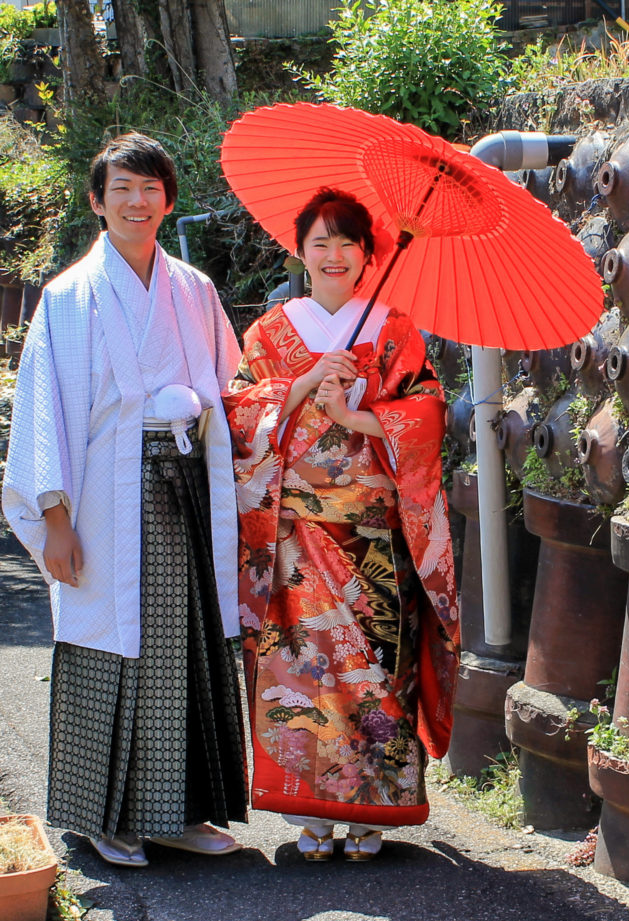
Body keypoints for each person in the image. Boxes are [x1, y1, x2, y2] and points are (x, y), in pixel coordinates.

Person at [2, 133, 248, 867]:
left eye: (150, 190)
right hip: (104, 493)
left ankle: (183, 808)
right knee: (107, 643)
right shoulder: (69, 297)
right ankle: (106, 816)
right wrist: (54, 520)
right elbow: (45, 412)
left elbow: (231, 390)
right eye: (122, 191)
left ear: (168, 201)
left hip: (184, 483)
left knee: (186, 645)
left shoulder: (196, 290)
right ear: (97, 203)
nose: (137, 203)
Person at [225, 187, 459, 861]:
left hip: (372, 531)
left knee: (376, 671)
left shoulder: (394, 329)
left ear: (367, 255)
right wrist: (301, 386)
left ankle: (372, 812)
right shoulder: (270, 331)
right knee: (305, 672)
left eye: (347, 243)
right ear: (299, 252)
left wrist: (359, 418)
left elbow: (428, 413)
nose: (333, 255)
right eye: (319, 243)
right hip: (297, 530)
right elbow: (241, 413)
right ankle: (315, 813)